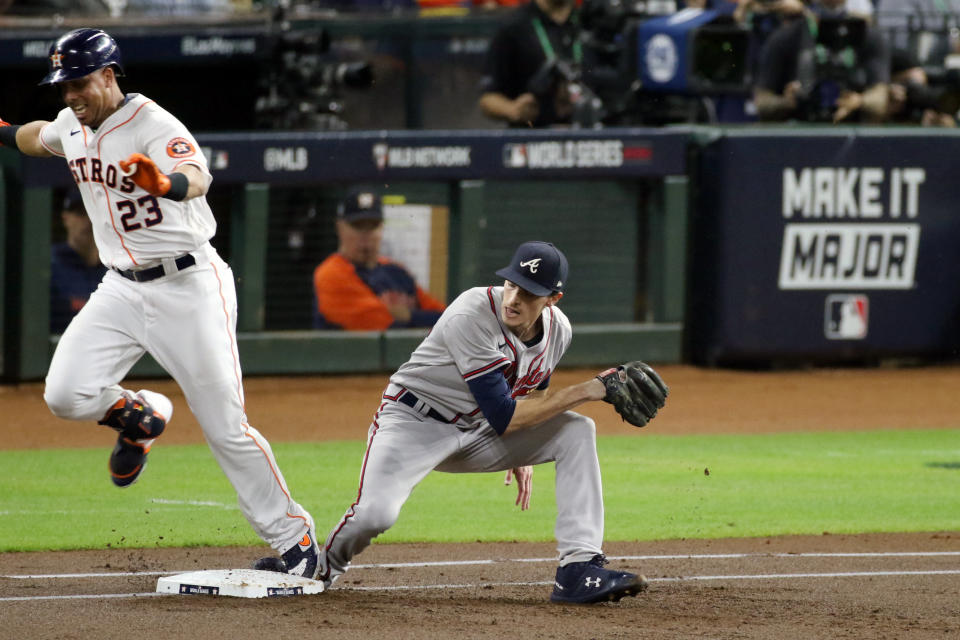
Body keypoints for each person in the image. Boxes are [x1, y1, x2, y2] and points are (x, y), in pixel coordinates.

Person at [0, 28, 320, 579]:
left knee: (226, 425)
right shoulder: (72, 124)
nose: (70, 94)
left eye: (78, 82)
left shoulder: (154, 123)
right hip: (121, 288)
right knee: (64, 394)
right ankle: (140, 419)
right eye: (62, 84)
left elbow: (197, 178)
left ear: (108, 74)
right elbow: (35, 138)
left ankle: (298, 543)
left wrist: (166, 183)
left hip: (189, 287)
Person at [263, 241, 669, 603]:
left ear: (553, 299)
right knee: (376, 515)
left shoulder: (558, 331)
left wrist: (525, 444)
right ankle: (318, 567)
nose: (514, 298)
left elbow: (534, 396)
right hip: (413, 421)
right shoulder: (472, 313)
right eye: (511, 284)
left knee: (577, 431)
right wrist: (590, 389)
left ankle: (578, 569)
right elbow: (506, 414)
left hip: (478, 430)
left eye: (529, 294)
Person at [312, 189, 446, 330]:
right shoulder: (330, 274)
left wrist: (408, 316)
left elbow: (447, 320)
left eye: (373, 226)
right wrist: (419, 318)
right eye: (358, 226)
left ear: (382, 228)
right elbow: (383, 326)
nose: (365, 235)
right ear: (340, 228)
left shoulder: (396, 272)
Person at [753, 0, 890, 123]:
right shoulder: (785, 37)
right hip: (800, 129)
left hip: (854, 129)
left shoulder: (868, 34)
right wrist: (788, 102)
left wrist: (858, 101)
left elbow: (879, 100)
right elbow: (762, 102)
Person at [478, 0, 583, 128]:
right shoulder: (514, 26)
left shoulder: (592, 22)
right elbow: (488, 98)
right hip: (534, 136)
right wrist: (513, 110)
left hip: (593, 137)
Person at [50, 187, 107, 334]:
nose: (88, 221)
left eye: (92, 212)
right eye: (81, 213)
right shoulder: (49, 264)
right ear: (65, 218)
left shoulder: (118, 268)